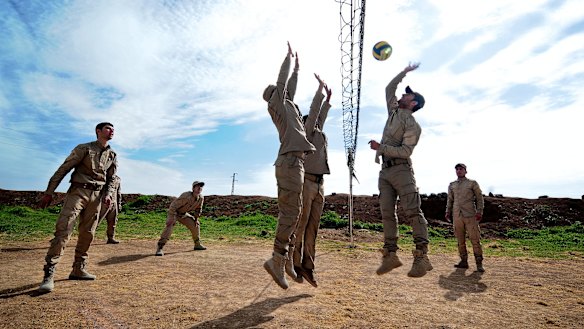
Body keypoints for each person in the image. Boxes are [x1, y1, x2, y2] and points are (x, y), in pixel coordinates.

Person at [368, 62, 433, 278]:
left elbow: (406, 151)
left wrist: (381, 147)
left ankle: (422, 257)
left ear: (413, 103)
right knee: (387, 213)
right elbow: (389, 89)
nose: (403, 96)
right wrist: (403, 73)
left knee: (413, 211)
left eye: (408, 95)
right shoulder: (394, 111)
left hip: (402, 171)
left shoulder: (413, 124)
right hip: (385, 171)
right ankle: (390, 256)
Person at [37, 122, 118, 293]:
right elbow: (64, 169)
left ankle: (78, 269)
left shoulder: (112, 155)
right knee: (64, 229)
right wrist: (49, 192)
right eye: (108, 128)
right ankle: (49, 273)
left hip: (97, 197)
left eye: (113, 129)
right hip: (78, 192)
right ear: (98, 131)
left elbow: (111, 178)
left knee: (88, 233)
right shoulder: (84, 148)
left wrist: (109, 194)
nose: (112, 131)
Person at [262, 42, 315, 289]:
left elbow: (288, 87)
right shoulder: (276, 106)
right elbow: (282, 85)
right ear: (273, 96)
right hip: (289, 163)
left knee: (297, 212)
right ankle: (276, 260)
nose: (283, 92)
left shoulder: (288, 107)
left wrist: (297, 70)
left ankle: (287, 261)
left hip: (297, 164)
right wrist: (286, 59)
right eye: (278, 91)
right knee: (290, 213)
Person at [288, 74, 332, 288]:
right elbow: (315, 115)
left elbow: (320, 117)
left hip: (320, 184)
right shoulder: (305, 133)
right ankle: (295, 264)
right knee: (302, 224)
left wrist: (328, 101)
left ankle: (308, 267)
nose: (316, 123)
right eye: (312, 121)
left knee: (313, 227)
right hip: (306, 183)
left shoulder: (319, 135)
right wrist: (320, 92)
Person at [445, 163, 485, 272]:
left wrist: (479, 211)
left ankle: (479, 263)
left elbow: (479, 198)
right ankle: (463, 261)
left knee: (475, 239)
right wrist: (448, 212)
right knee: (460, 240)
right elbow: (450, 200)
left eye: (461, 169)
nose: (459, 171)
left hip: (471, 215)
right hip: (457, 216)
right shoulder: (452, 185)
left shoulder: (472, 183)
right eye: (457, 169)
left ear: (465, 171)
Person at [155, 181, 206, 256]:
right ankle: (160, 248)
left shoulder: (201, 198)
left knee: (196, 225)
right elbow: (173, 205)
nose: (199, 188)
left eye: (201, 187)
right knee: (170, 226)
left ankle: (197, 244)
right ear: (193, 188)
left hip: (183, 214)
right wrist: (171, 217)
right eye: (197, 186)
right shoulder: (186, 196)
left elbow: (198, 209)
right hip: (174, 212)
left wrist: (196, 219)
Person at [98, 174, 122, 244]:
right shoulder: (104, 176)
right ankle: (87, 237)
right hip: (103, 202)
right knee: (96, 220)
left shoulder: (118, 179)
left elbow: (118, 193)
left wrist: (119, 204)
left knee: (113, 221)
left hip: (114, 202)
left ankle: (111, 237)